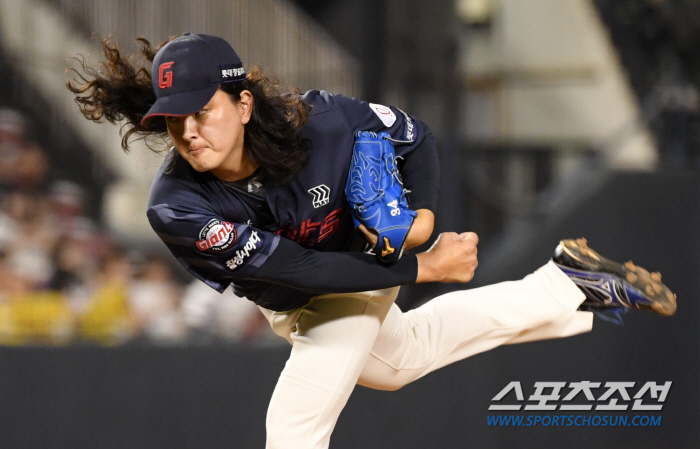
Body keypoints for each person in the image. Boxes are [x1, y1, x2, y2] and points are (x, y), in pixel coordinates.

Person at [68, 33, 676, 449]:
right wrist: (423, 270)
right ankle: (568, 285)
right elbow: (300, 273)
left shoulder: (323, 121)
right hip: (301, 286)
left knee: (294, 427)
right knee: (400, 359)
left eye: (202, 111)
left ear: (245, 103)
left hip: (355, 267)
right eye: (174, 120)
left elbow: (418, 138)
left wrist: (426, 224)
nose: (189, 131)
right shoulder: (177, 204)